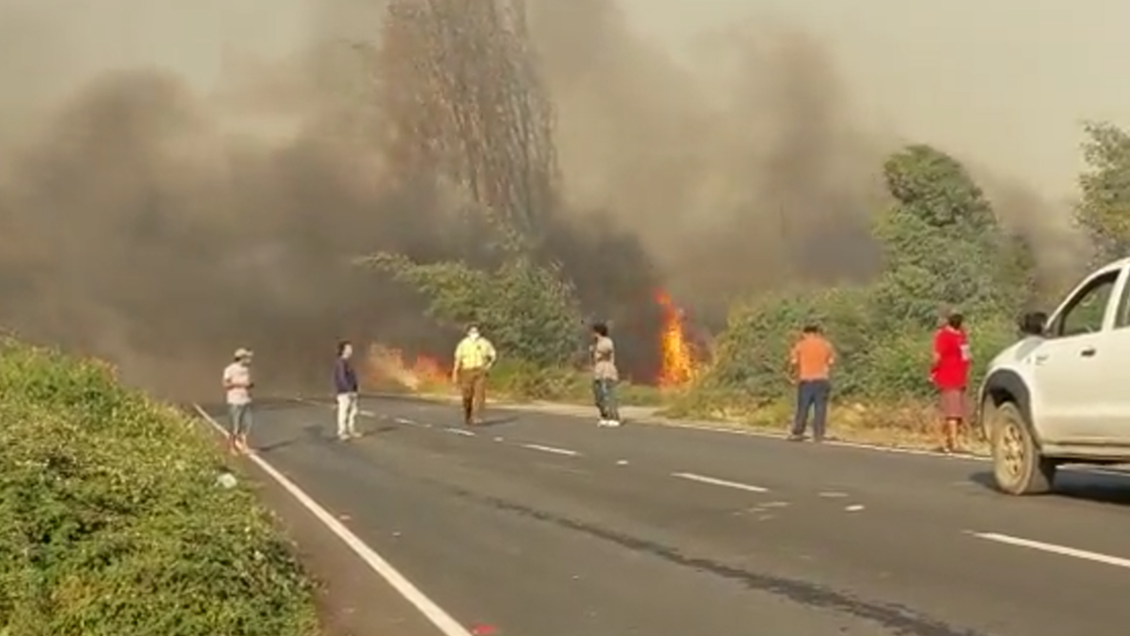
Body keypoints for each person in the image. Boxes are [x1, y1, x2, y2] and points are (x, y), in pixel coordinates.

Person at [931, 312, 972, 454]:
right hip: (961, 378)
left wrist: (932, 372)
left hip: (947, 377)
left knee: (950, 412)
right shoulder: (962, 336)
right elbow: (967, 357)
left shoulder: (943, 336)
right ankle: (952, 441)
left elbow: (936, 357)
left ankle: (951, 443)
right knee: (958, 411)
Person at [788, 323, 835, 442]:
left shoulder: (800, 346)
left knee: (803, 407)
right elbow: (830, 362)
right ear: (817, 333)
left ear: (805, 333)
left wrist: (793, 374)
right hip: (822, 380)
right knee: (820, 407)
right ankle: (818, 434)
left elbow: (794, 362)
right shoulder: (826, 345)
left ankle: (798, 432)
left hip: (806, 380)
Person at [451, 324, 497, 426]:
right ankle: (468, 414)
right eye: (472, 331)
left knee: (480, 395)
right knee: (467, 395)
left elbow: (493, 355)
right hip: (467, 371)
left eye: (476, 331)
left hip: (480, 371)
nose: (474, 333)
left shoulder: (485, 343)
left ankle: (477, 417)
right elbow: (458, 359)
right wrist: (455, 373)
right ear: (468, 333)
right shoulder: (463, 344)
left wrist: (488, 366)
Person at [222, 347, 255, 455]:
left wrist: (249, 386)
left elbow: (246, 383)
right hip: (234, 401)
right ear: (241, 358)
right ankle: (232, 447)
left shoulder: (246, 369)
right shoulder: (229, 369)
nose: (249, 360)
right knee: (234, 426)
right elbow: (225, 384)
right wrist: (241, 385)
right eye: (247, 358)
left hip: (246, 399)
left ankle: (244, 446)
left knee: (246, 425)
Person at [590, 322, 621, 427]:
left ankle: (614, 417)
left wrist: (595, 348)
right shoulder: (596, 343)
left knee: (610, 395)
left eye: (594, 332)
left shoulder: (606, 342)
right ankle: (604, 415)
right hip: (598, 372)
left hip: (607, 371)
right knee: (598, 395)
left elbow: (607, 350)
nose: (592, 334)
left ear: (598, 332)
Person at [333, 340, 360, 441]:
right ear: (343, 350)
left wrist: (355, 389)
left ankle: (351, 430)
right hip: (344, 392)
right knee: (343, 411)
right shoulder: (340, 362)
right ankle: (342, 432)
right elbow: (341, 378)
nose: (351, 350)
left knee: (353, 411)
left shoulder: (347, 362)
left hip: (351, 391)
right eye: (349, 348)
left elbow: (352, 377)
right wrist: (348, 390)